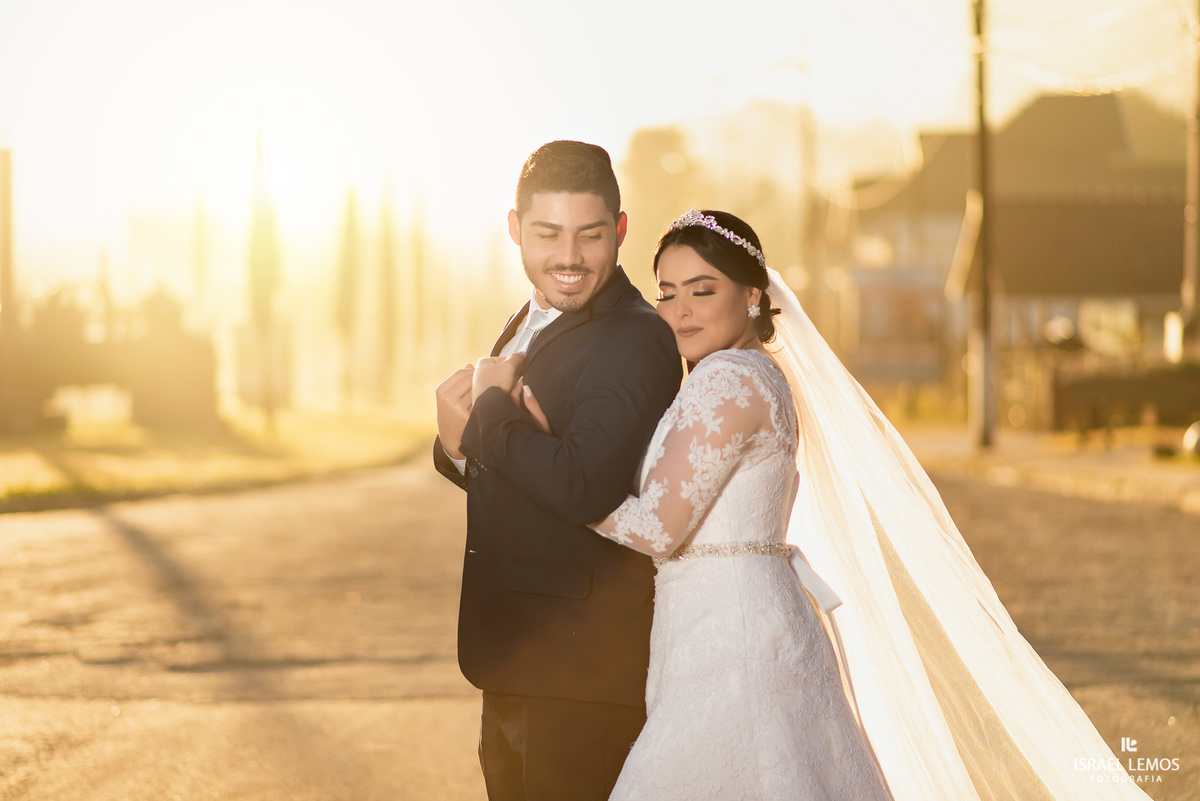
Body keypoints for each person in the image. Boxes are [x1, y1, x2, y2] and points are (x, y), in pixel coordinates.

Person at [519, 209, 1156, 801]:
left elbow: (657, 526)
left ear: (753, 295)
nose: (679, 311)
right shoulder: (748, 371)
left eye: (701, 290)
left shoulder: (729, 381)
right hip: (727, 621)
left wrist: (551, 468)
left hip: (732, 636)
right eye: (667, 291)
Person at [433, 140, 682, 801]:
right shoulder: (532, 311)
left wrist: (488, 414)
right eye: (547, 233)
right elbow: (514, 466)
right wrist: (456, 445)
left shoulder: (637, 338)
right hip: (516, 654)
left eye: (590, 234)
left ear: (621, 230)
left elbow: (582, 482)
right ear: (515, 229)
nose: (568, 257)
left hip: (583, 671)